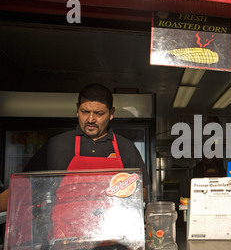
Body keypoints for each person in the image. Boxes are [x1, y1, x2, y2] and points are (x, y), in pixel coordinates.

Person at [0, 83, 149, 212]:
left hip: (112, 235)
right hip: (64, 238)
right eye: (85, 112)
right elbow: (24, 187)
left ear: (111, 114)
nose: (91, 120)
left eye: (99, 113)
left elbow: (140, 193)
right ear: (77, 109)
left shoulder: (126, 147)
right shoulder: (57, 145)